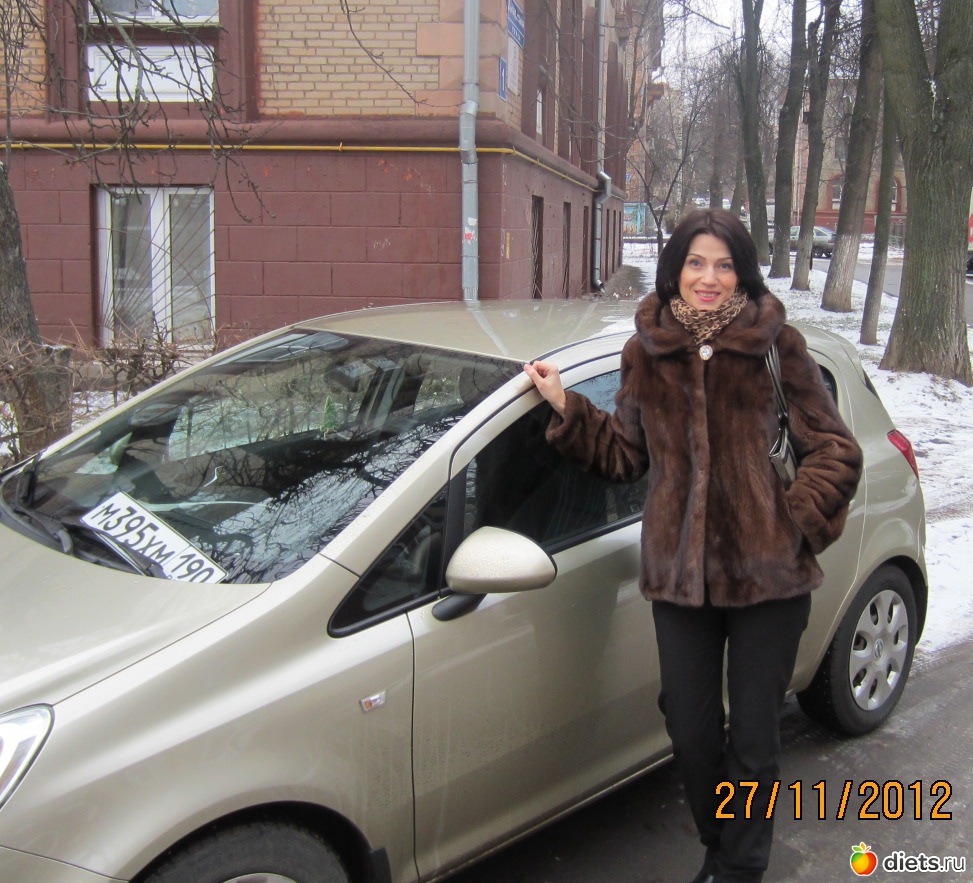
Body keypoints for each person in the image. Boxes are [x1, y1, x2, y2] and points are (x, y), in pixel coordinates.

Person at [524, 208, 862, 883]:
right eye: (696, 263)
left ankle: (738, 868)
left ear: (743, 272)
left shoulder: (776, 348)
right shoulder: (645, 353)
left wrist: (791, 521)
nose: (709, 278)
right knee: (689, 727)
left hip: (769, 579)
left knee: (755, 739)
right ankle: (722, 846)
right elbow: (625, 455)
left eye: (724, 265)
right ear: (674, 270)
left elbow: (835, 449)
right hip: (680, 577)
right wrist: (567, 409)